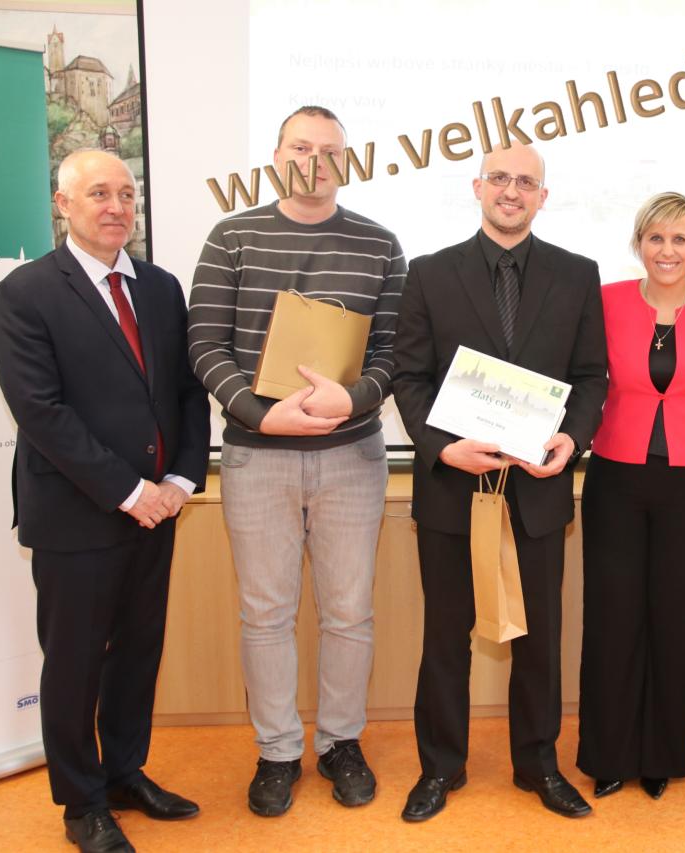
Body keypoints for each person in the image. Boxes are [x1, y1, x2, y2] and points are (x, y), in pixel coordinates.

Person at [187, 106, 406, 816]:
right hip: (257, 457)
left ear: (347, 161)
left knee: (349, 612)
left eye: (330, 150)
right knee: (265, 614)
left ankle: (341, 741)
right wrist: (259, 412)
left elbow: (394, 352)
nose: (315, 161)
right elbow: (203, 343)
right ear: (277, 155)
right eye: (301, 147)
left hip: (352, 455)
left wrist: (355, 398)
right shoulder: (232, 236)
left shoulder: (381, 244)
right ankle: (277, 749)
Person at [0, 149, 210, 853]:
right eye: (98, 194)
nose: (117, 207)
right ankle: (81, 802)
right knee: (76, 661)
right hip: (77, 514)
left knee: (138, 652)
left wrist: (180, 480)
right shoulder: (26, 292)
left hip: (158, 510)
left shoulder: (161, 287)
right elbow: (41, 411)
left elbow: (187, 392)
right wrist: (128, 491)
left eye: (126, 193)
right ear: (63, 205)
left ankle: (122, 774)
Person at [392, 141, 607, 821]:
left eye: (526, 182)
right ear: (478, 187)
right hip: (453, 488)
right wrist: (443, 448)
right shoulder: (430, 273)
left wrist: (573, 438)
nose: (512, 191)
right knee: (445, 636)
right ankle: (440, 767)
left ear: (543, 196)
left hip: (538, 486)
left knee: (539, 639)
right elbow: (409, 377)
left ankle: (538, 764)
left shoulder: (577, 274)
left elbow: (591, 376)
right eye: (500, 179)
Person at [575, 192, 685, 800]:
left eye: (680, 239)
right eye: (655, 237)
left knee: (677, 619)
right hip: (615, 479)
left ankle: (661, 756)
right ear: (638, 244)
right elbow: (583, 380)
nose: (667, 250)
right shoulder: (605, 301)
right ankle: (609, 754)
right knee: (613, 618)